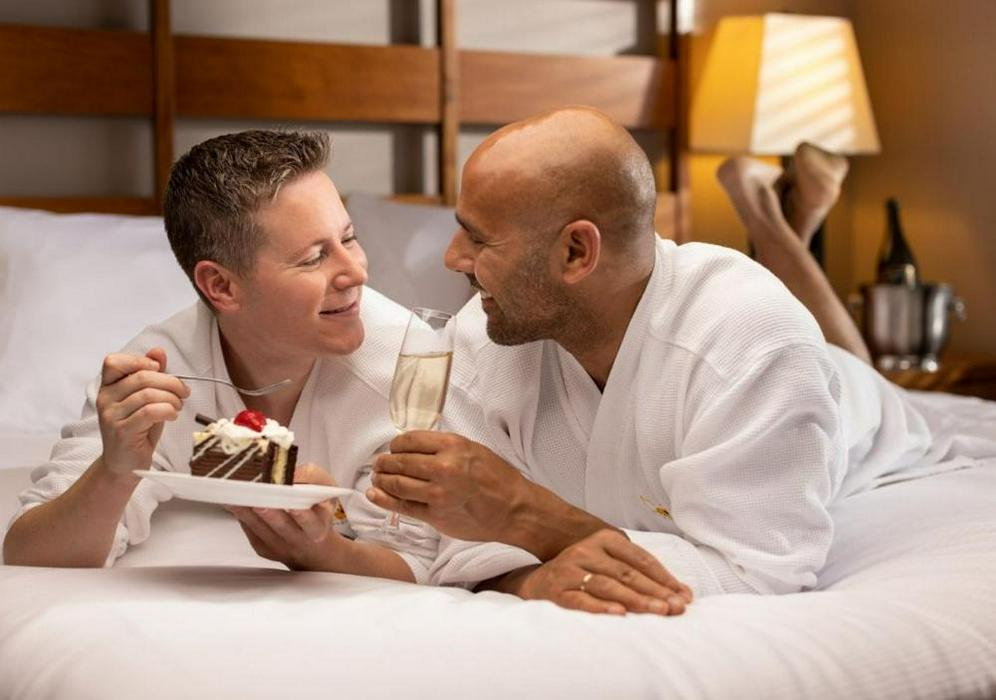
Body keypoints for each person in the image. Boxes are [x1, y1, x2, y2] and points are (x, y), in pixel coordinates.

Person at [366, 106, 996, 610]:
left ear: (576, 253)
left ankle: (776, 220)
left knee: (852, 370)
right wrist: (530, 580)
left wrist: (530, 517)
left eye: (479, 238)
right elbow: (460, 544)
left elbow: (755, 572)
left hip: (861, 411)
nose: (452, 258)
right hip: (783, 366)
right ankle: (781, 219)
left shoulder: (751, 339)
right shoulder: (489, 332)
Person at [0, 130, 547, 590]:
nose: (356, 272)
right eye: (313, 257)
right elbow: (28, 555)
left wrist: (320, 551)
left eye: (349, 239)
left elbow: (425, 563)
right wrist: (114, 472)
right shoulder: (159, 374)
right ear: (221, 286)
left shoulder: (409, 370)